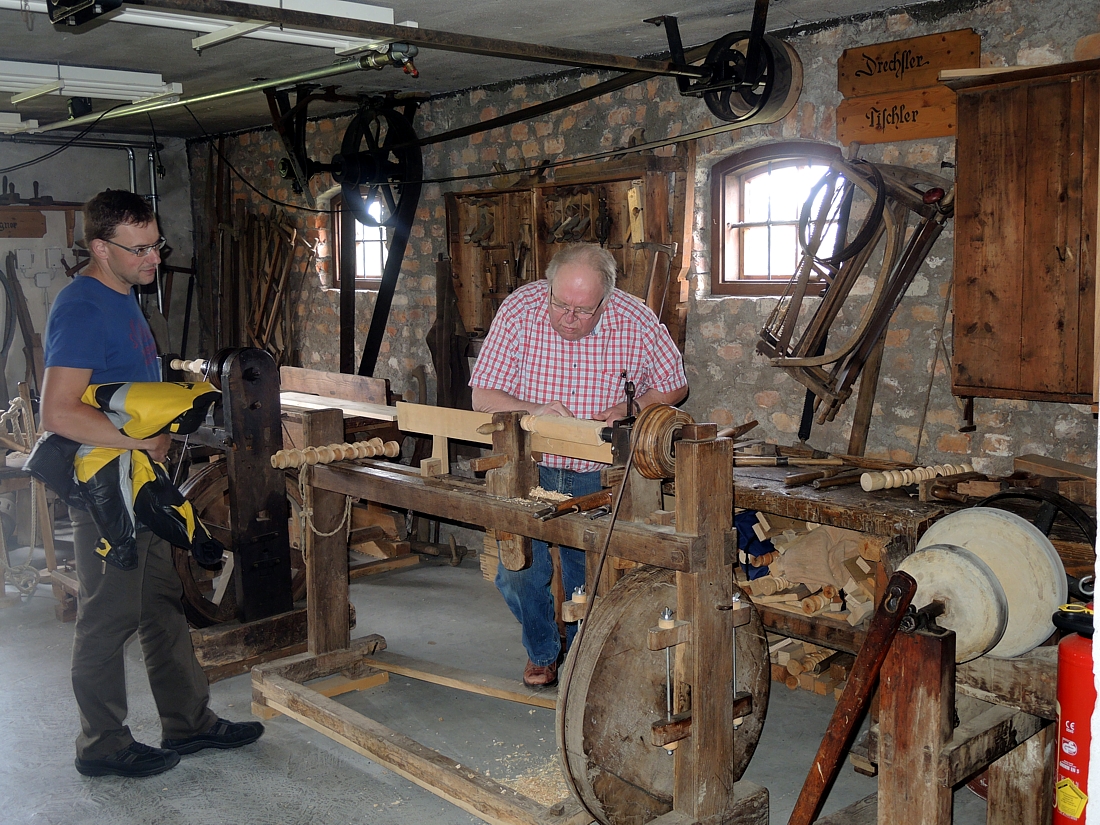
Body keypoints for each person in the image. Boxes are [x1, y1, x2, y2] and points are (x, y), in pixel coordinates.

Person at [40, 189, 263, 778]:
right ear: (98, 247)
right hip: (104, 488)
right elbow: (58, 411)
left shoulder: (123, 295)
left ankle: (188, 724)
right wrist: (141, 442)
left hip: (142, 481)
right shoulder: (83, 307)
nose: (153, 258)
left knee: (161, 605)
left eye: (156, 245)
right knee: (106, 616)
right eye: (138, 249)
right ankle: (102, 744)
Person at [469, 243, 688, 686]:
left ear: (606, 299)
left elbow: (675, 386)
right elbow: (482, 397)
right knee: (518, 571)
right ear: (548, 287)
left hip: (599, 471)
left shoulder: (636, 320)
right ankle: (544, 650)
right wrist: (533, 410)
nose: (569, 318)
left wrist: (632, 407)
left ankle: (586, 658)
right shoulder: (519, 310)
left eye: (583, 310)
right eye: (561, 304)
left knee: (586, 573)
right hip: (532, 465)